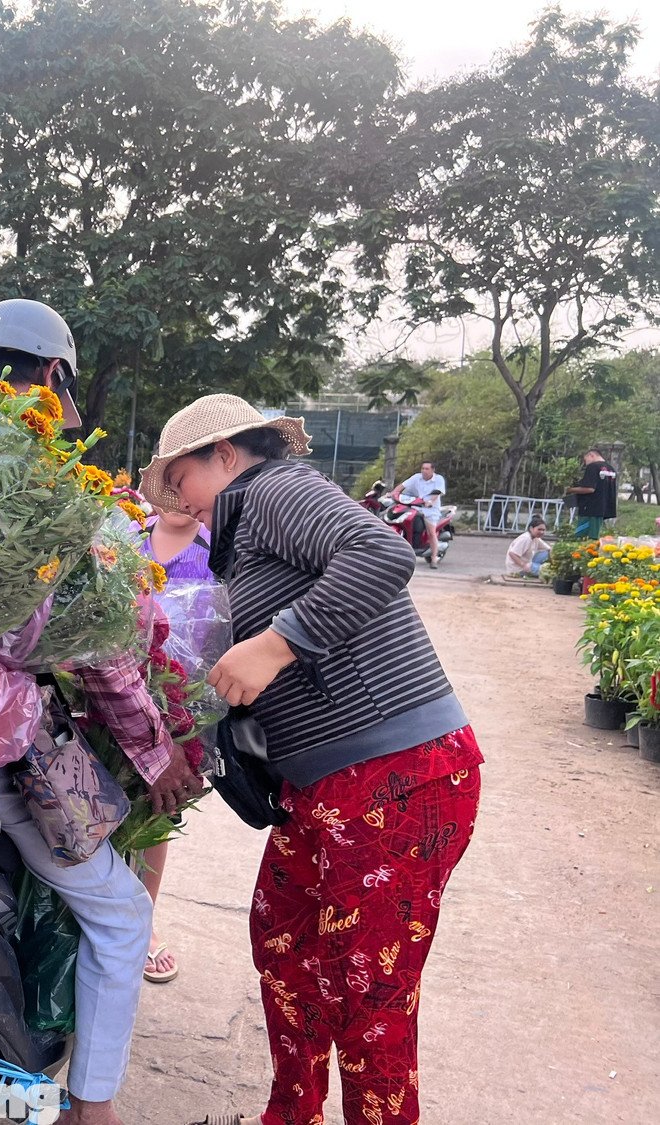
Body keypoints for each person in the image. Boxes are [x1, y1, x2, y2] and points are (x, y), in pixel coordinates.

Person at [138, 394, 483, 1125]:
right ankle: (292, 1112)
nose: (179, 500)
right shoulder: (240, 534)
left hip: (397, 774)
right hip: (327, 786)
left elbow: (383, 552)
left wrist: (275, 643)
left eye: (183, 480)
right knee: (285, 938)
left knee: (369, 992)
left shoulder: (273, 490)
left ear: (225, 455)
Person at [0, 299, 203, 1125]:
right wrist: (155, 753)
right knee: (123, 910)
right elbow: (103, 640)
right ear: (53, 376)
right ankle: (90, 1109)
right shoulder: (46, 488)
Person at [134, 506, 212, 985]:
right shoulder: (126, 533)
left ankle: (144, 921)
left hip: (182, 701)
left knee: (156, 816)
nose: (179, 497)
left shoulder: (216, 546)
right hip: (114, 691)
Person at [393, 462, 446, 569]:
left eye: (426, 469)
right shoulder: (417, 477)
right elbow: (402, 485)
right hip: (416, 507)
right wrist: (393, 493)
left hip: (431, 510)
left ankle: (434, 558)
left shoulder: (439, 479)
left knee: (431, 532)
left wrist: (430, 501)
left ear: (432, 470)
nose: (424, 471)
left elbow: (437, 493)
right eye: (422, 468)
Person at [565, 448, 618, 538]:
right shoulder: (611, 469)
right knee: (595, 535)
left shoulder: (593, 467)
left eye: (585, 460)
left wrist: (569, 489)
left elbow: (589, 488)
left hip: (589, 508)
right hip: (603, 508)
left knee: (581, 536)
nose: (586, 463)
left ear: (591, 455)